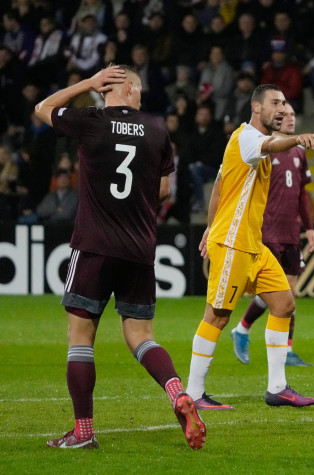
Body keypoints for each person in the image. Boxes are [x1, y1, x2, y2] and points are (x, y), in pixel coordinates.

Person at [35, 65, 205, 449]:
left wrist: (87, 84)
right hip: (140, 248)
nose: (141, 95)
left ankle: (83, 433)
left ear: (114, 86)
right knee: (141, 336)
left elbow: (43, 107)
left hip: (94, 245)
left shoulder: (91, 120)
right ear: (128, 88)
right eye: (140, 90)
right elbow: (163, 192)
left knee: (80, 337)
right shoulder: (159, 128)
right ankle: (178, 392)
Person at [187, 84, 314, 410]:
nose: (281, 108)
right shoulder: (246, 137)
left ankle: (278, 388)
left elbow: (220, 185)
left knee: (284, 305)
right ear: (256, 107)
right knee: (217, 317)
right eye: (275, 103)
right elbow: (270, 144)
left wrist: (208, 225)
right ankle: (193, 393)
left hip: (255, 247)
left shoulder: (253, 143)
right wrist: (297, 138)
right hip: (233, 244)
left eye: (285, 103)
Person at [230, 103, 314, 367]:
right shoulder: (262, 148)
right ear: (276, 118)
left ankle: (285, 349)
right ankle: (244, 328)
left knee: (290, 293)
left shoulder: (299, 152)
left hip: (291, 232)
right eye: (285, 114)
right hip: (267, 230)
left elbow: (302, 193)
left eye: (293, 114)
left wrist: (310, 227)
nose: (290, 118)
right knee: (278, 292)